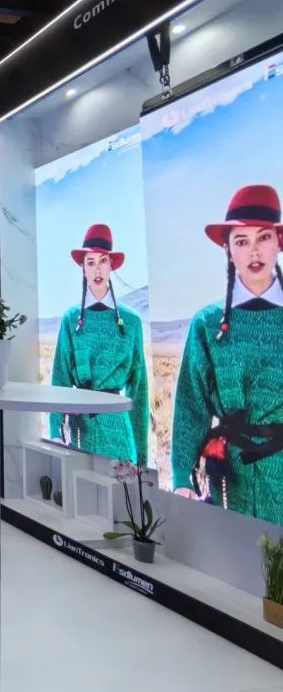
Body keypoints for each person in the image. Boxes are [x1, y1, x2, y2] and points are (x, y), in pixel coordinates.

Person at [171, 185, 283, 526]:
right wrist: (181, 477)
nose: (254, 251)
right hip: (228, 476)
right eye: (241, 241)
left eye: (263, 237)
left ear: (278, 243)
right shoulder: (207, 324)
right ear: (229, 250)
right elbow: (191, 405)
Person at [50, 224, 150, 465]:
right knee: (80, 486)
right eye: (90, 262)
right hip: (80, 429)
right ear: (83, 268)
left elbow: (139, 389)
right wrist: (55, 431)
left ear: (111, 265)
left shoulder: (131, 322)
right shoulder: (71, 319)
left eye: (103, 261)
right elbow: (60, 379)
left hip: (118, 429)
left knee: (119, 487)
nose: (97, 269)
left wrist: (142, 455)